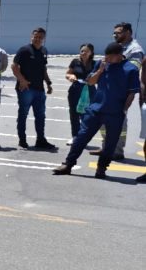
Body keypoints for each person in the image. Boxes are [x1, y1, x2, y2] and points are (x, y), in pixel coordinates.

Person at [53, 42, 139, 179]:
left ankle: (101, 169)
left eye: (110, 57)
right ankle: (68, 164)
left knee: (110, 144)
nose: (107, 59)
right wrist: (100, 71)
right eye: (106, 56)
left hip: (115, 113)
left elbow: (131, 94)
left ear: (118, 56)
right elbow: (91, 82)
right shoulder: (101, 64)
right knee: (81, 138)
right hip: (95, 110)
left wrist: (123, 110)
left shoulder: (130, 69)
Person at [103, 22, 144, 162]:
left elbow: (132, 69)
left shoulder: (135, 49)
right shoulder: (119, 47)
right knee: (104, 121)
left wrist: (115, 62)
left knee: (120, 122)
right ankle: (105, 147)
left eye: (118, 32)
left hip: (124, 91)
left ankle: (117, 150)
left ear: (128, 33)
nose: (115, 35)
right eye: (114, 33)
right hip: (110, 88)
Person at [12, 27, 55, 150]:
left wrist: (48, 83)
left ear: (44, 39)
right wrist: (22, 80)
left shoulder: (43, 51)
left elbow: (43, 69)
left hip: (39, 90)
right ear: (31, 37)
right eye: (35, 37)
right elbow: (14, 66)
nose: (37, 39)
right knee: (23, 114)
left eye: (40, 37)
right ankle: (22, 140)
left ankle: (40, 140)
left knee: (40, 116)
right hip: (26, 89)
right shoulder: (24, 50)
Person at [64, 43, 96, 142]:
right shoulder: (75, 62)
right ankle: (75, 136)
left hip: (89, 91)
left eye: (86, 51)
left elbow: (99, 77)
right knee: (74, 114)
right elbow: (68, 73)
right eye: (82, 51)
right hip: (75, 90)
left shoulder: (95, 64)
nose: (83, 53)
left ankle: (83, 137)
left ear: (91, 53)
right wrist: (71, 76)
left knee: (87, 115)